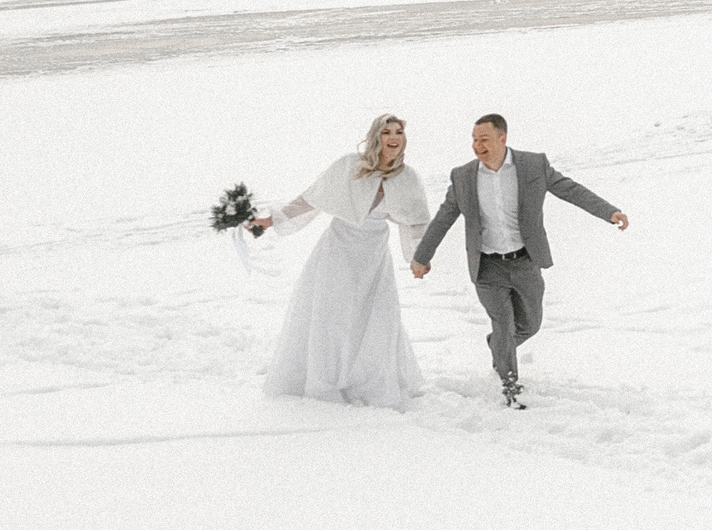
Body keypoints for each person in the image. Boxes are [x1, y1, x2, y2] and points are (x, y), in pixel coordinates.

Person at [411, 112, 630, 408]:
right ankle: (509, 386)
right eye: (474, 140)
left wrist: (608, 212)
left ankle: (500, 349)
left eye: (484, 139)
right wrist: (422, 257)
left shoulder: (533, 165)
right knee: (503, 323)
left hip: (525, 261)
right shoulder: (463, 176)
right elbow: (443, 218)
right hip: (487, 266)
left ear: (503, 138)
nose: (478, 146)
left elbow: (570, 189)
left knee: (529, 324)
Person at [251, 113, 432, 409]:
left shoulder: (408, 178)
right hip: (338, 250)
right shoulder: (351, 165)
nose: (393, 138)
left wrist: (419, 258)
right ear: (376, 136)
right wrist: (272, 220)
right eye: (386, 132)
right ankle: (326, 379)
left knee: (378, 316)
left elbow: (417, 223)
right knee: (332, 316)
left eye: (398, 132)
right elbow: (311, 199)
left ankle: (369, 379)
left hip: (374, 254)